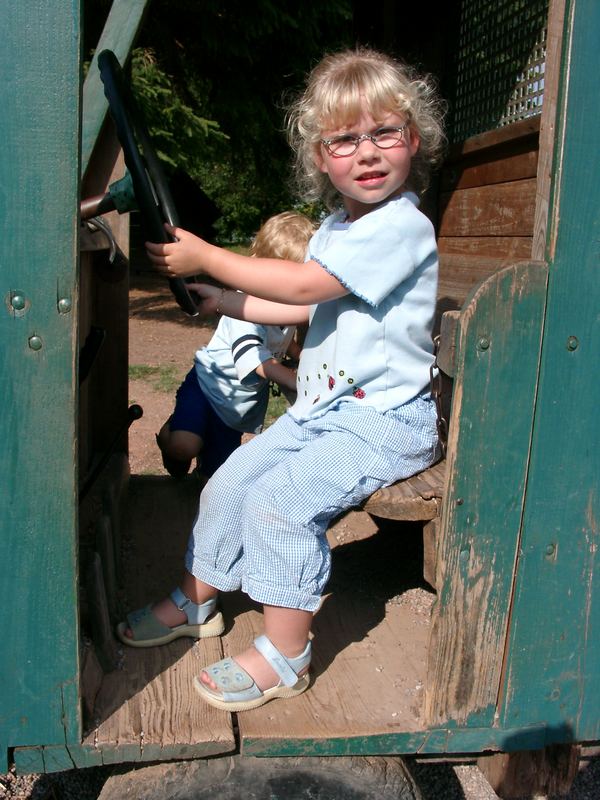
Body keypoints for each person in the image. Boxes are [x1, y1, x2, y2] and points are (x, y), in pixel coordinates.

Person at [118, 47, 446, 714]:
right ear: (322, 158)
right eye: (346, 139)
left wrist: (210, 253)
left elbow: (303, 282)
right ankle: (197, 598)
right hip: (324, 410)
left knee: (280, 503)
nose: (368, 151)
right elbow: (306, 304)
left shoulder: (401, 226)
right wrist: (222, 300)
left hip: (385, 421)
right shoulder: (337, 227)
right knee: (233, 482)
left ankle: (285, 653)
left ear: (413, 140)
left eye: (384, 132)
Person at [156, 210, 315, 479]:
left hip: (236, 406)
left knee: (214, 475)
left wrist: (301, 356)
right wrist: (292, 378)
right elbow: (253, 356)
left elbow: (282, 342)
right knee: (184, 447)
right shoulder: (244, 305)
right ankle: (167, 437)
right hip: (209, 385)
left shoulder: (289, 308)